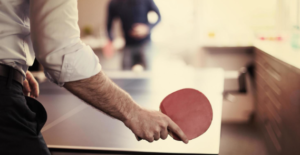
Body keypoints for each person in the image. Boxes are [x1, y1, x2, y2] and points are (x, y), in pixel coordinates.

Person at [0, 0, 188, 154]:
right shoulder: (115, 4)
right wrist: (134, 112)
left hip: (145, 44)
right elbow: (61, 52)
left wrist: (14, 67)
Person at [104, 0, 161, 70]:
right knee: (125, 74)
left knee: (147, 75)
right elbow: (108, 25)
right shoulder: (114, 3)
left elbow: (159, 17)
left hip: (145, 45)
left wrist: (147, 28)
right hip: (128, 46)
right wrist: (110, 40)